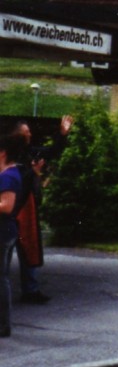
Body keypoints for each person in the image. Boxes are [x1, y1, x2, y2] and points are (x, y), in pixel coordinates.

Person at [14, 116, 69, 304]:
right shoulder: (9, 156)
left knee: (29, 247)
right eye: (26, 131)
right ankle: (29, 289)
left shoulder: (29, 152)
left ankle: (31, 289)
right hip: (12, 205)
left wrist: (62, 135)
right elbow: (16, 180)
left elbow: (52, 151)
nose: (29, 133)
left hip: (25, 204)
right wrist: (34, 173)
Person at [0, 130, 31, 338]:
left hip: (2, 231)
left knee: (0, 278)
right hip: (6, 231)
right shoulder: (7, 173)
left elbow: (6, 205)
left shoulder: (9, 176)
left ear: (2, 153)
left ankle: (3, 325)